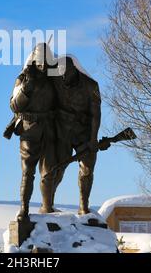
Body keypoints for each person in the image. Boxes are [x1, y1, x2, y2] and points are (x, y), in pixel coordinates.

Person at [8, 43, 57, 221]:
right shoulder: (23, 78)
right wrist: (27, 88)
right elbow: (14, 105)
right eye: (40, 61)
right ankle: (24, 209)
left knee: (49, 171)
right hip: (29, 129)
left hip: (49, 130)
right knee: (28, 172)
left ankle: (47, 206)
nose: (43, 65)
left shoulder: (54, 79)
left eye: (46, 61)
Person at [52, 56, 101, 215]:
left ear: (74, 69)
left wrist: (93, 139)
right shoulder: (55, 83)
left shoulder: (91, 86)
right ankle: (48, 203)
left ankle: (83, 206)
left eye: (66, 73)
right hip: (62, 132)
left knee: (87, 168)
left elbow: (96, 114)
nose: (64, 77)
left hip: (84, 132)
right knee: (57, 169)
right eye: (61, 74)